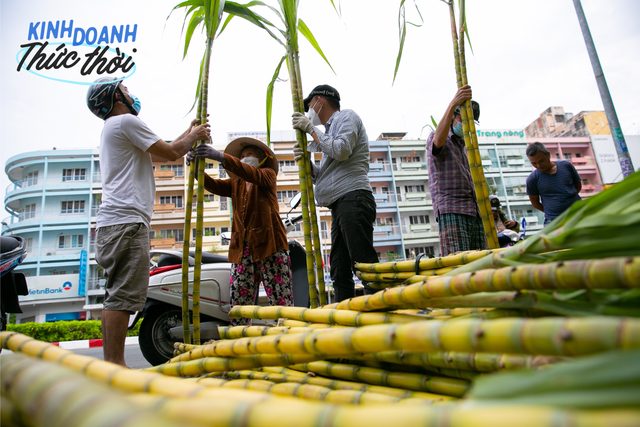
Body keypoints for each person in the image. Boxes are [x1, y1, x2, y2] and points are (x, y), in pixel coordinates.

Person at [87, 77, 210, 367]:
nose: (131, 94)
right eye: (126, 90)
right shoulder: (126, 122)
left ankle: (110, 364)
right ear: (116, 97)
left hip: (114, 223)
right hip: (126, 222)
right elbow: (170, 152)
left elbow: (160, 151)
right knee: (123, 297)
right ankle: (116, 365)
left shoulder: (113, 128)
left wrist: (189, 132)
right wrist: (197, 134)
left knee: (115, 295)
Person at [186, 137, 294, 325]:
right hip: (242, 250)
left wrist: (221, 157)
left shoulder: (267, 175)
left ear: (261, 158)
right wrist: (195, 168)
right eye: (242, 156)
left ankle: (287, 339)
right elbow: (212, 184)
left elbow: (251, 173)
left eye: (249, 154)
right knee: (239, 303)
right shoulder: (236, 183)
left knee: (281, 301)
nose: (245, 158)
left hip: (271, 246)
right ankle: (240, 341)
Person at [291, 84, 379, 302]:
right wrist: (309, 165)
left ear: (320, 101)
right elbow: (329, 174)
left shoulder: (346, 117)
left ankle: (381, 316)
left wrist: (312, 130)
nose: (308, 110)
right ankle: (346, 321)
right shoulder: (329, 132)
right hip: (342, 204)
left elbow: (342, 150)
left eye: (309, 104)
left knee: (363, 263)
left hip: (354, 198)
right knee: (339, 270)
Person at [426, 85, 487, 256]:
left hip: (474, 211)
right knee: (459, 264)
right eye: (463, 119)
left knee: (479, 262)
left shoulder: (468, 146)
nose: (466, 125)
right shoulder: (439, 137)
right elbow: (438, 142)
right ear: (453, 116)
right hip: (452, 208)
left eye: (471, 122)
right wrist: (454, 103)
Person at [525, 142, 582, 225]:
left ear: (548, 154)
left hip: (578, 214)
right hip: (554, 221)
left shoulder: (566, 166)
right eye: (534, 163)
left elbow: (578, 186)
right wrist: (552, 212)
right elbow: (535, 203)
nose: (538, 165)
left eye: (541, 161)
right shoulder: (532, 179)